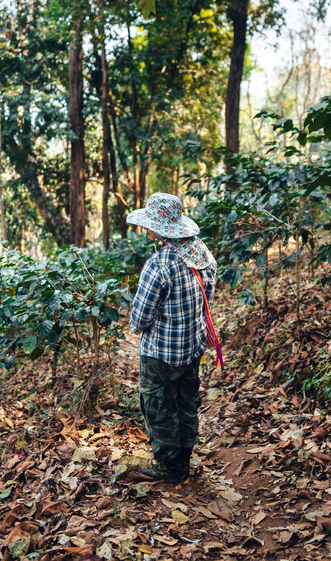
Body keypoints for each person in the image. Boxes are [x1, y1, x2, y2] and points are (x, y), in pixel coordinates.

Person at [127, 192, 218, 484]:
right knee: (187, 400)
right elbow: (208, 298)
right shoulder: (202, 252)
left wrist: (139, 321)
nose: (147, 229)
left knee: (158, 405)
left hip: (160, 353)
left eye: (150, 224)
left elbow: (139, 319)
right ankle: (184, 459)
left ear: (159, 228)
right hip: (192, 346)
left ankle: (168, 466)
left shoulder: (159, 263)